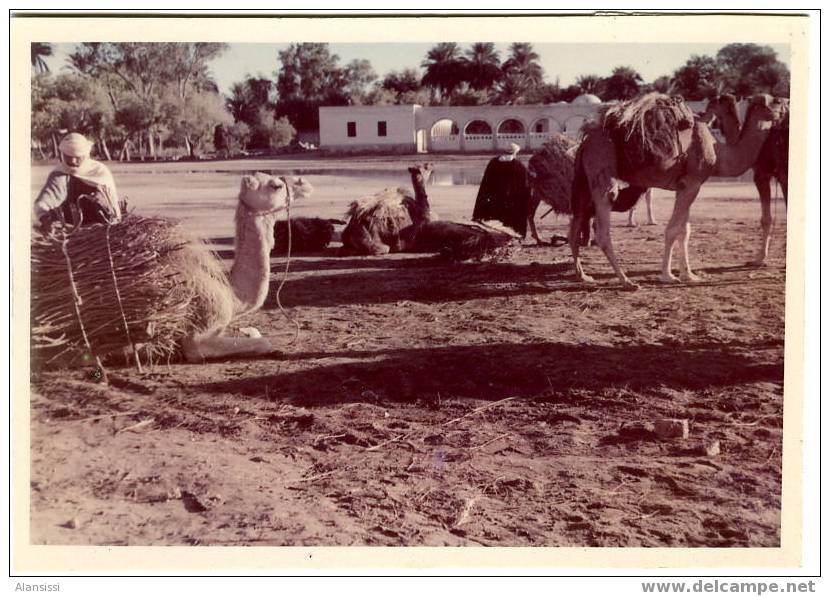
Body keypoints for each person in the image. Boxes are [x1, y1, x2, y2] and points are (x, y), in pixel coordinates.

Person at [34, 132, 121, 229]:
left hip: (101, 228)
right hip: (69, 229)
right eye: (68, 156)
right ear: (62, 154)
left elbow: (113, 206)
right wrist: (46, 219)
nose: (73, 161)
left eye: (77, 157)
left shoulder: (100, 172)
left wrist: (102, 201)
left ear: (86, 154)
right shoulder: (59, 174)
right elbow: (42, 203)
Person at [471, 142, 531, 237]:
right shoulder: (518, 165)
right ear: (515, 152)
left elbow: (486, 183)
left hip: (494, 201)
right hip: (511, 203)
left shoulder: (493, 162)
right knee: (510, 223)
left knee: (495, 223)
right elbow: (525, 186)